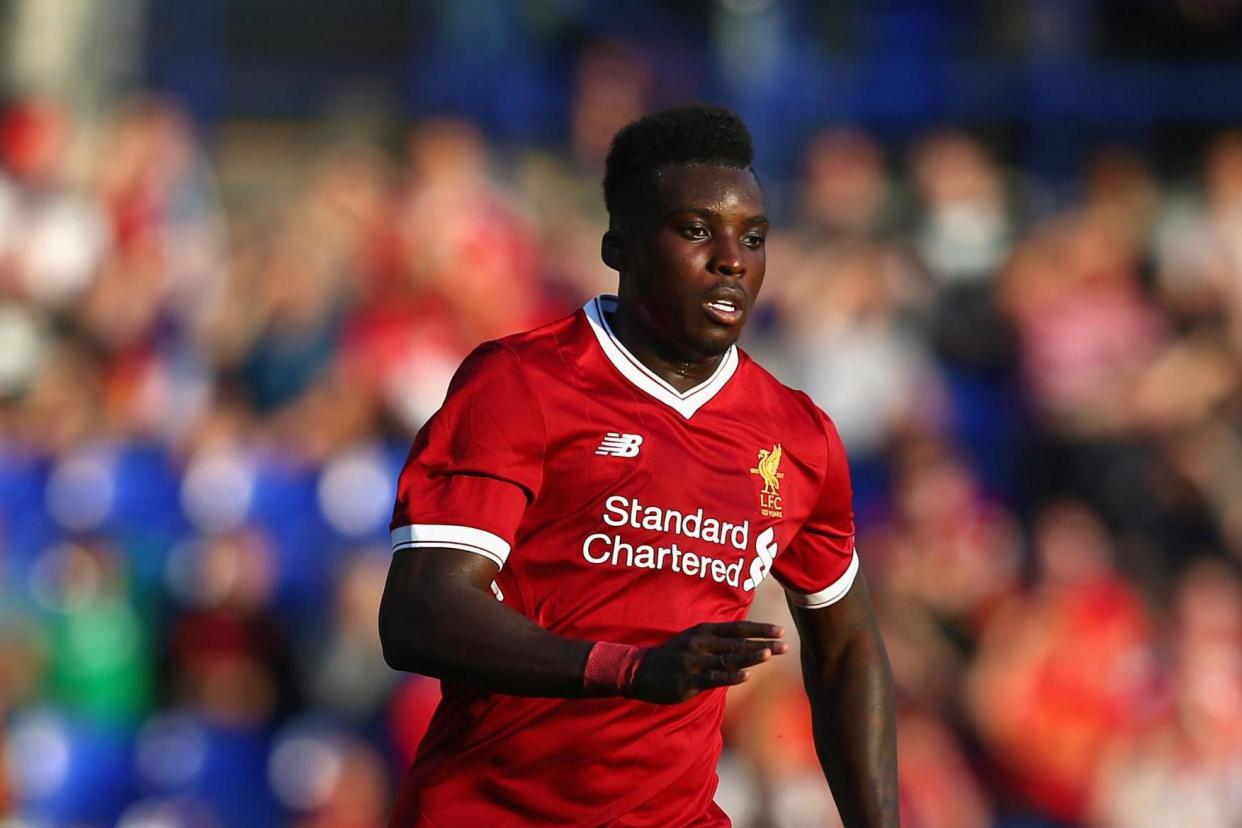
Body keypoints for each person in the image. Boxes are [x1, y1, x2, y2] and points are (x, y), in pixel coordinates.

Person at [379, 104, 898, 827]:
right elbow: (417, 613)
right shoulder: (522, 383)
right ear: (617, 245)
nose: (731, 259)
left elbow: (847, 649)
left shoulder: (797, 434)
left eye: (753, 237)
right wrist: (630, 669)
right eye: (695, 230)